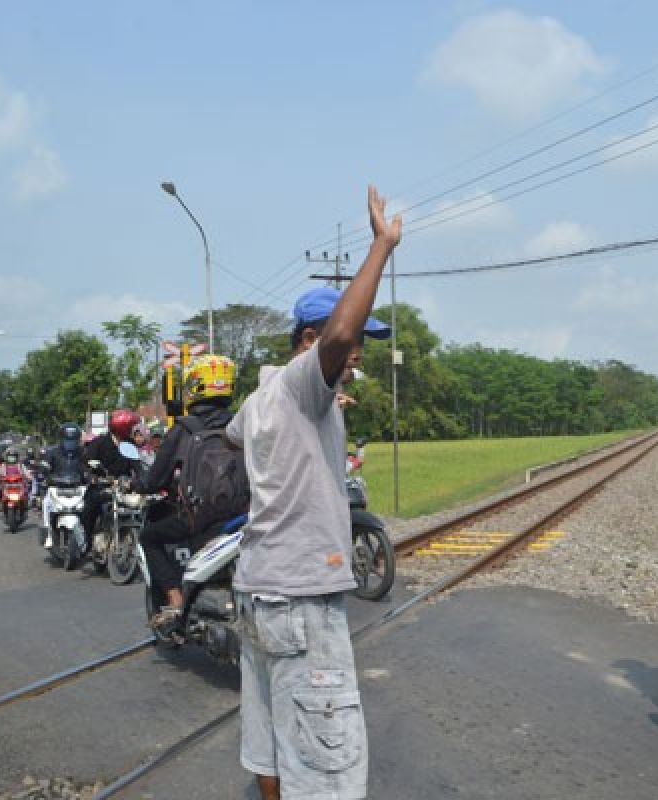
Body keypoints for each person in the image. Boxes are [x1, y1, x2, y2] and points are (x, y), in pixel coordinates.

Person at [224, 185, 400, 800]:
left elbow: (231, 438)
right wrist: (382, 245)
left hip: (257, 588)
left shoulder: (260, 397)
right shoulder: (304, 380)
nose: (355, 355)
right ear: (309, 341)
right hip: (301, 596)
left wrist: (315, 421)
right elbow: (335, 340)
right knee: (325, 766)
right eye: (350, 344)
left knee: (271, 738)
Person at [134, 355, 238, 632]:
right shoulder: (243, 422)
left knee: (149, 537)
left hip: (200, 518)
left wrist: (139, 485)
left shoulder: (184, 429)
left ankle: (175, 600)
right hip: (246, 514)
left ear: (194, 386)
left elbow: (155, 480)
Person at [80, 409, 142, 550]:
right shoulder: (100, 442)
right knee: (88, 511)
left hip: (123, 487)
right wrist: (92, 476)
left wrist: (144, 481)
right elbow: (85, 462)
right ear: (123, 427)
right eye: (130, 426)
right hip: (101, 486)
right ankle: (87, 542)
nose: (133, 429)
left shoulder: (130, 445)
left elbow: (138, 467)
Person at [42, 423, 88, 547]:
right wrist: (44, 474)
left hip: (78, 488)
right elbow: (44, 467)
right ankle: (49, 532)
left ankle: (88, 535)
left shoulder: (83, 453)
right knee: (46, 502)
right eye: (68, 440)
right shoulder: (52, 452)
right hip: (56, 487)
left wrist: (90, 475)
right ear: (62, 439)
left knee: (89, 507)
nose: (70, 443)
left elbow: (88, 468)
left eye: (73, 440)